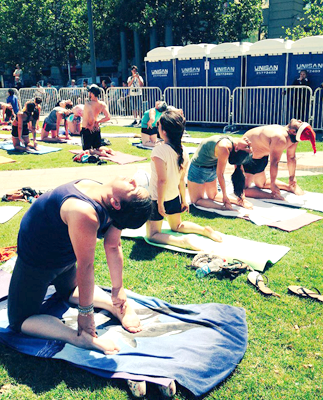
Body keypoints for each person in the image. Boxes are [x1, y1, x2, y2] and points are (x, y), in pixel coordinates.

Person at [8, 177, 152, 355]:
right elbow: (112, 246)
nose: (133, 181)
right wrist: (116, 290)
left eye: (133, 188)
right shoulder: (108, 197)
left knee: (19, 320)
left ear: (115, 203)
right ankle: (115, 306)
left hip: (38, 264)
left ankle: (78, 337)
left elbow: (89, 265)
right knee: (70, 291)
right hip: (62, 259)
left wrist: (86, 314)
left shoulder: (86, 210)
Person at [146, 110, 222, 251]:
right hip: (174, 196)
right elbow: (182, 180)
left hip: (158, 198)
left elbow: (162, 180)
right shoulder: (183, 150)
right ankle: (204, 230)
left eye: (159, 125)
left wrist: (160, 204)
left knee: (152, 234)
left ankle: (182, 242)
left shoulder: (159, 150)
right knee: (177, 226)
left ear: (164, 131)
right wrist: (183, 200)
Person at [242, 119, 316, 200]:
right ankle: (287, 188)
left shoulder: (281, 138)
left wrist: (277, 183)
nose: (299, 120)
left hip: (249, 158)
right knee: (261, 184)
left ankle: (274, 194)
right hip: (254, 156)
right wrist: (290, 179)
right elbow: (290, 158)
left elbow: (276, 162)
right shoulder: (292, 137)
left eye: (300, 123)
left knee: (243, 190)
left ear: (293, 131)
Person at [187, 136, 254, 211]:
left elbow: (220, 174)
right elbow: (239, 170)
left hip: (199, 169)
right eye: (249, 146)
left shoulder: (224, 147)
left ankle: (226, 207)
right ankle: (236, 203)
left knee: (196, 201)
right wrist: (239, 196)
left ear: (236, 149)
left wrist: (226, 197)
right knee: (213, 196)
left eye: (247, 146)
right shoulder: (233, 145)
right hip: (210, 168)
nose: (249, 142)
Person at [80, 84, 114, 157]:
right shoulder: (102, 104)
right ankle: (108, 150)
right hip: (96, 128)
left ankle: (102, 153)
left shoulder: (88, 103)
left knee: (87, 150)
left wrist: (91, 125)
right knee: (98, 147)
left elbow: (91, 118)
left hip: (87, 128)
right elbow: (108, 117)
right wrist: (98, 122)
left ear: (91, 93)